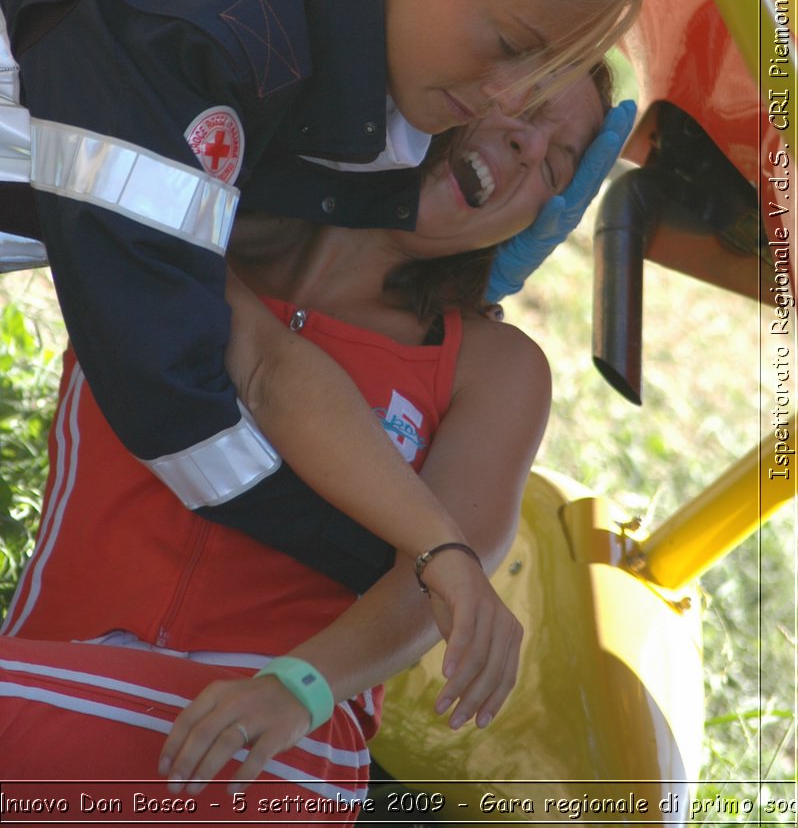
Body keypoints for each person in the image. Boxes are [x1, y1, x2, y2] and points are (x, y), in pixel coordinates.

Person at [0, 0, 649, 667]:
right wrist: (405, 573)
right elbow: (174, 394)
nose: (508, 104)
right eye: (514, 49)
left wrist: (457, 251)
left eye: (544, 83)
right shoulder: (190, 40)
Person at [0, 67, 621, 816]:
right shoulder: (194, 220)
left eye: (555, 166)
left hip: (277, 743)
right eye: (524, 104)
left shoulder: (494, 367)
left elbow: (448, 577)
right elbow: (268, 367)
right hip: (45, 679)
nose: (528, 146)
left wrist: (299, 687)